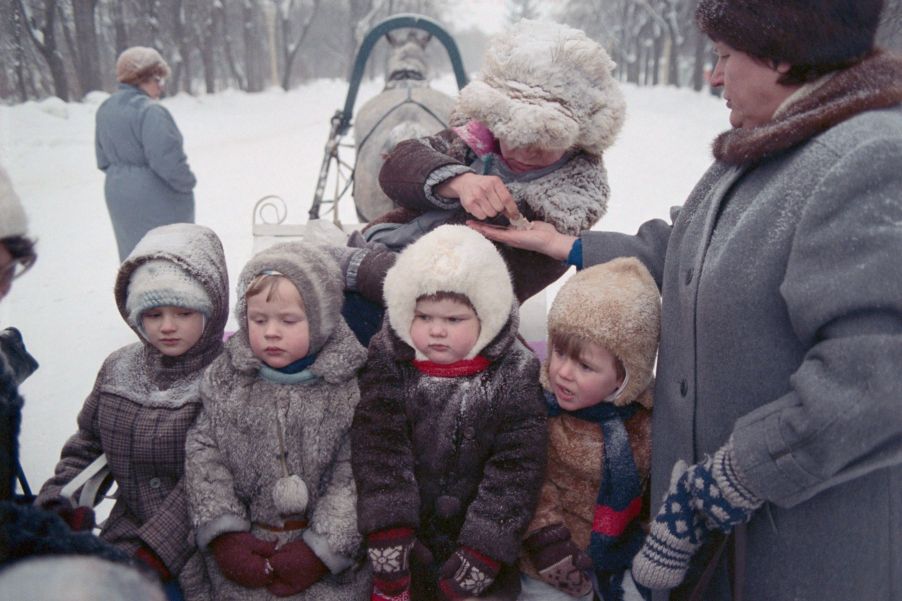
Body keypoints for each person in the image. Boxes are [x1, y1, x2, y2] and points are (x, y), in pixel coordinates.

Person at [470, 1, 902, 599]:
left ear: (781, 54)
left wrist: (735, 476)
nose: (713, 75)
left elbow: (878, 377)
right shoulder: (770, 146)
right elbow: (690, 253)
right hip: (714, 540)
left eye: (725, 56)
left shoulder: (868, 159)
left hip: (795, 545)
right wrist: (563, 244)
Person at [331, 19, 625, 344]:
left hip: (426, 320)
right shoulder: (473, 142)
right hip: (374, 264)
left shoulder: (561, 215)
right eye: (509, 132)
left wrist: (357, 266)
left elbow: (453, 295)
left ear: (578, 139)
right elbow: (394, 169)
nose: (520, 151)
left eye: (540, 141)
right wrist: (457, 180)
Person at [351, 225, 548, 601]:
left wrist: (485, 546)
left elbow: (518, 467)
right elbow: (378, 446)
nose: (436, 331)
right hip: (404, 546)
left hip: (479, 554)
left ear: (486, 316)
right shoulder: (391, 360)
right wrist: (389, 533)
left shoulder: (514, 371)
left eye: (453, 320)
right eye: (424, 317)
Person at [35, 223, 229, 601]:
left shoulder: (228, 377)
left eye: (183, 312)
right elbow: (87, 445)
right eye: (153, 314)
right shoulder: (120, 367)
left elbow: (213, 477)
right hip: (126, 532)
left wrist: (154, 552)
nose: (167, 327)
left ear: (212, 308)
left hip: (206, 545)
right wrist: (60, 502)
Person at [184, 242, 370, 601]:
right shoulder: (228, 379)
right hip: (247, 544)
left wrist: (320, 550)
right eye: (259, 320)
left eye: (288, 321)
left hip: (325, 563)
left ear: (321, 322)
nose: (271, 332)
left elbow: (356, 474)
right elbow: (204, 454)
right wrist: (226, 536)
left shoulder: (348, 388)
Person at [518, 258, 660, 601]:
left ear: (626, 375)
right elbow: (530, 486)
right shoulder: (540, 412)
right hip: (548, 561)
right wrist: (552, 550)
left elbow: (650, 494)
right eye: (560, 353)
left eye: (584, 365)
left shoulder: (643, 423)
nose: (563, 372)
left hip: (618, 556)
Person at [96, 46, 197, 262]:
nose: (161, 86)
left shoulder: (105, 108)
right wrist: (187, 183)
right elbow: (167, 161)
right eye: (157, 79)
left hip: (118, 194)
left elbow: (102, 159)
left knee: (134, 261)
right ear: (141, 77)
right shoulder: (151, 111)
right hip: (157, 197)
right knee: (167, 260)